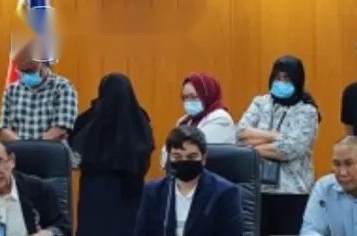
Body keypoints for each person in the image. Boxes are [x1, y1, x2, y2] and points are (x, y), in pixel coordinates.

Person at [236, 55, 320, 236]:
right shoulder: (260, 103)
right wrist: (275, 136)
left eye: (287, 79)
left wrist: (252, 150)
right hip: (258, 189)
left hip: (292, 192)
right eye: (277, 77)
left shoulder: (307, 111)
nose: (280, 83)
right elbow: (240, 134)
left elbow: (290, 149)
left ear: (298, 81)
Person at [69, 73, 155, 236]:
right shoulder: (138, 119)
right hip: (129, 193)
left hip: (94, 193)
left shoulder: (90, 119)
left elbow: (75, 152)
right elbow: (144, 155)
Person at [134, 126, 243, 236]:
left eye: (191, 157)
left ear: (204, 158)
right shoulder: (152, 191)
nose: (184, 161)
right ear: (169, 157)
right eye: (177, 157)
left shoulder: (225, 193)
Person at [0, 42, 78, 141]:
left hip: (50, 149)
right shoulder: (12, 90)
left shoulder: (63, 87)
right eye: (23, 71)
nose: (27, 74)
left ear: (43, 63)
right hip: (18, 148)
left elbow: (60, 129)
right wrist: (23, 146)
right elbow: (4, 129)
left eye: (31, 70)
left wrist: (35, 147)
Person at [159, 72, 235, 167]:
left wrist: (176, 156)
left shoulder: (220, 118)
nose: (188, 101)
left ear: (206, 95)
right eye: (185, 97)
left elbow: (196, 151)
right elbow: (166, 153)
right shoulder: (184, 121)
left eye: (193, 97)